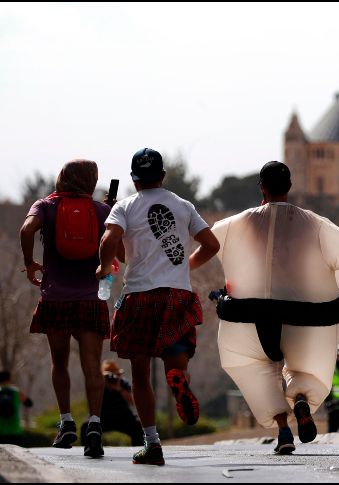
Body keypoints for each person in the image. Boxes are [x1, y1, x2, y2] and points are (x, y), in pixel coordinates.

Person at [199, 161, 339, 455]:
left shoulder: (237, 223)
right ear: (290, 186)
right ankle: (300, 398)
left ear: (262, 187)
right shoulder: (318, 224)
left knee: (253, 367)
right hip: (305, 320)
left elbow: (206, 245)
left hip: (248, 319)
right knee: (303, 370)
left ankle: (283, 428)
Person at [97, 148, 220, 465]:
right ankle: (177, 378)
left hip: (139, 295)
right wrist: (185, 267)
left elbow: (111, 243)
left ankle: (152, 444)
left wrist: (103, 265)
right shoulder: (183, 205)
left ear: (134, 180)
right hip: (176, 293)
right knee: (175, 358)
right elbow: (211, 245)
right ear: (162, 176)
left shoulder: (124, 207)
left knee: (139, 372)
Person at [19, 159, 112, 457]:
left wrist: (29, 262)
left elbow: (26, 229)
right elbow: (118, 249)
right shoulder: (100, 210)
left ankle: (66, 422)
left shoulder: (46, 205)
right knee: (92, 365)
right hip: (90, 298)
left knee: (59, 362)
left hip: (55, 298)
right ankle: (95, 425)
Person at [80, 361, 144, 446]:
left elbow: (132, 402)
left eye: (115, 375)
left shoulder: (123, 383)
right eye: (109, 376)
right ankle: (90, 448)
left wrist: (119, 389)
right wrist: (103, 386)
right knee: (86, 426)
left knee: (138, 425)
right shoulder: (99, 386)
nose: (112, 378)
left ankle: (138, 449)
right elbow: (91, 402)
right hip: (102, 417)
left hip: (122, 417)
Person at [0, 371, 34, 445]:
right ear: (9, 379)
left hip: (1, 431)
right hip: (15, 430)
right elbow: (29, 403)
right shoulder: (16, 392)